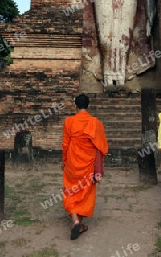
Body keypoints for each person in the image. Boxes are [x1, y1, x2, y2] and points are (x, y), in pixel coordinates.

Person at [62, 93, 108, 240]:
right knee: (84, 191)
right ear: (88, 106)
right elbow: (102, 147)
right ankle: (78, 222)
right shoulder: (96, 123)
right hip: (88, 163)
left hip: (72, 162)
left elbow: (65, 145)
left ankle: (75, 219)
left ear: (75, 106)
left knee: (71, 190)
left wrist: (64, 161)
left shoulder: (69, 121)